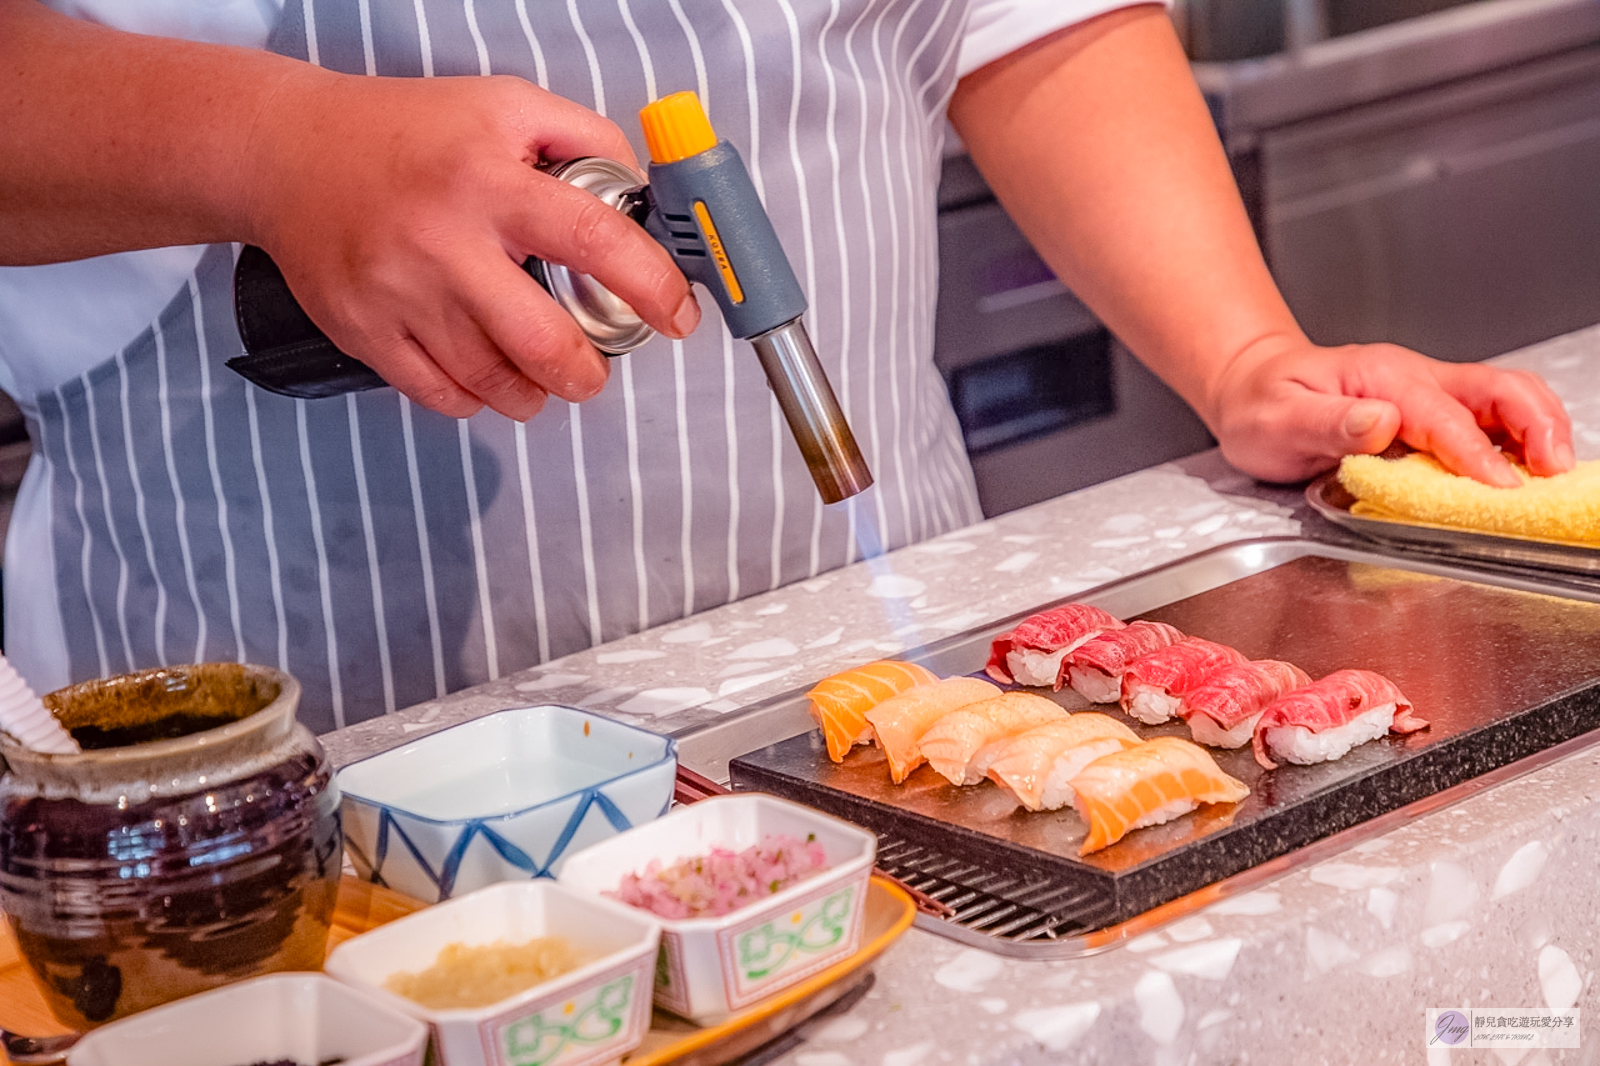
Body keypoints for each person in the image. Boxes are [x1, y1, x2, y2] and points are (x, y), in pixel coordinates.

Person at [0, 0, 1573, 733]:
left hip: (888, 676)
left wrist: (1247, 350)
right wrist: (279, 143)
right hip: (306, 720)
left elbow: (1020, 18)